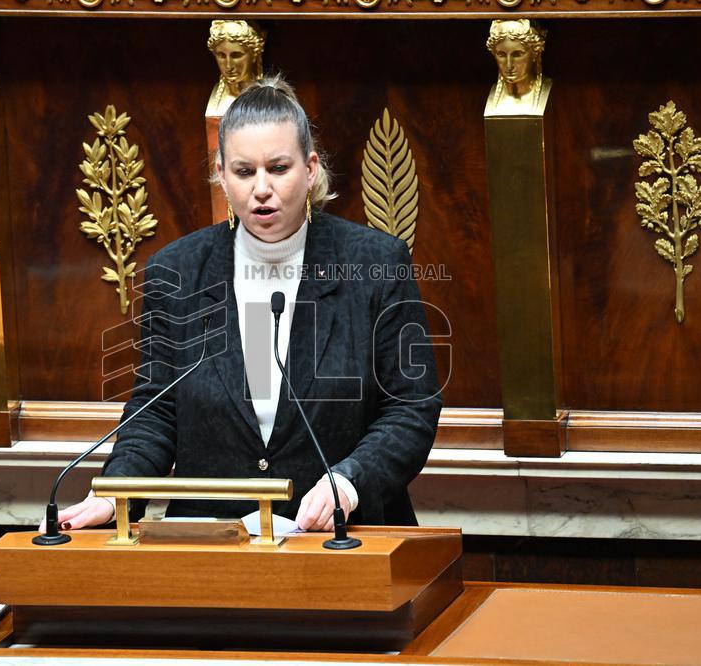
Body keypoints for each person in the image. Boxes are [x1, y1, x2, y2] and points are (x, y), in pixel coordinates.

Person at [55, 76, 442, 533]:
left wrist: (350, 481)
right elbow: (156, 411)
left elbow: (410, 406)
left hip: (341, 537)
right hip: (212, 543)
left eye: (278, 168)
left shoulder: (375, 264)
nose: (261, 188)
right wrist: (116, 491)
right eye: (243, 171)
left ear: (311, 168)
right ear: (221, 173)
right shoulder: (176, 272)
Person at [484, 19, 550, 116]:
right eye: (501, 55)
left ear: (535, 53)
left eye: (517, 54)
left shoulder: (548, 90)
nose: (509, 65)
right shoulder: (490, 96)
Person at [205, 20, 266, 117]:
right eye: (221, 55)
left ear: (254, 54)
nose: (228, 66)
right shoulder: (217, 102)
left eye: (236, 55)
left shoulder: (267, 98)